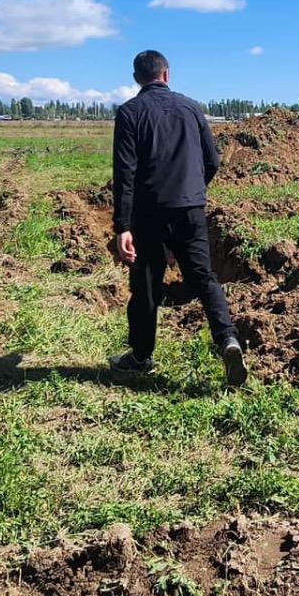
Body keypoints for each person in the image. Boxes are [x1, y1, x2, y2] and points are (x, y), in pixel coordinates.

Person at [110, 50, 247, 386]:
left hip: (147, 213)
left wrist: (122, 227)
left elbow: (124, 174)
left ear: (136, 79)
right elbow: (212, 161)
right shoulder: (191, 108)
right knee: (203, 278)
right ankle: (227, 339)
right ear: (167, 75)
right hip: (190, 209)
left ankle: (141, 357)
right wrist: (192, 191)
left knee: (146, 286)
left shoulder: (129, 113)